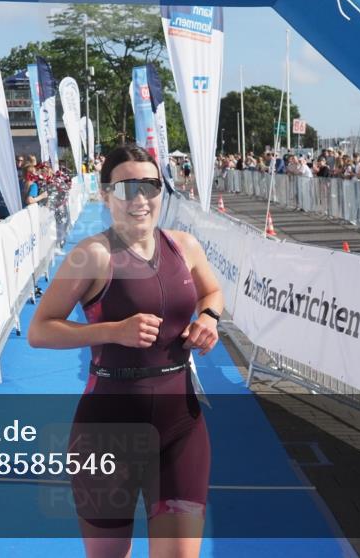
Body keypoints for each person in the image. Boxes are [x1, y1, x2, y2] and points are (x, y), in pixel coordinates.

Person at [28, 144, 222, 556]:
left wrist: (209, 319)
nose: (139, 199)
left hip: (181, 426)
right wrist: (112, 331)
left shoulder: (183, 246)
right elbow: (40, 331)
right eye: (126, 187)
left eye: (149, 186)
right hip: (106, 431)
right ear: (106, 194)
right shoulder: (93, 255)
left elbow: (213, 291)